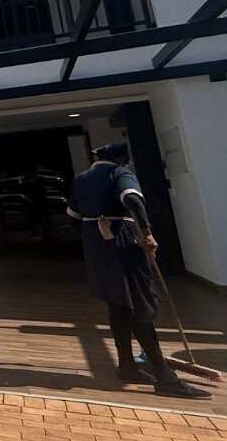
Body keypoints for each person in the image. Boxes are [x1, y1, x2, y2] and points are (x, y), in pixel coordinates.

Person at [68, 143, 210, 399]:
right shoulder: (119, 173)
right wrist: (146, 233)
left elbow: (73, 215)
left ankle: (127, 365)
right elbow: (132, 199)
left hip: (97, 245)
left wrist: (93, 238)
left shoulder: (82, 178)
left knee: (118, 304)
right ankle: (164, 377)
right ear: (123, 159)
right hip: (122, 242)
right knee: (138, 304)